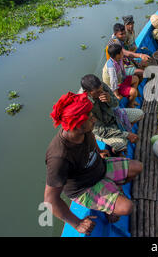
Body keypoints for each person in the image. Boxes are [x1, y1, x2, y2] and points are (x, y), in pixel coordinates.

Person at [44, 92, 143, 234]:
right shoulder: (59, 157)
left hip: (99, 166)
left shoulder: (84, 130)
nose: (94, 119)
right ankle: (109, 206)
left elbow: (91, 138)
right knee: (127, 207)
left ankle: (112, 191)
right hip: (85, 187)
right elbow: (50, 200)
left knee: (137, 167)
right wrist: (77, 223)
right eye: (90, 118)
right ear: (77, 126)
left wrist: (98, 152)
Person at [80, 74, 143, 157]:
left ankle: (123, 132)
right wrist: (126, 135)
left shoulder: (102, 86)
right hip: (103, 129)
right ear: (87, 92)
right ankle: (117, 151)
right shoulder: (84, 105)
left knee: (140, 114)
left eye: (101, 90)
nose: (100, 93)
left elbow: (116, 103)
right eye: (97, 92)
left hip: (113, 117)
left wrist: (110, 100)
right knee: (121, 144)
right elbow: (101, 131)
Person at [103, 43, 139, 107]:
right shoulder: (111, 66)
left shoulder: (118, 59)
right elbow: (113, 81)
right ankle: (130, 104)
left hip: (120, 80)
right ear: (117, 55)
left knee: (136, 79)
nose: (123, 53)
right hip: (114, 86)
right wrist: (116, 94)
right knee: (134, 92)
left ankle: (131, 99)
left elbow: (122, 70)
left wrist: (125, 78)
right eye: (121, 52)